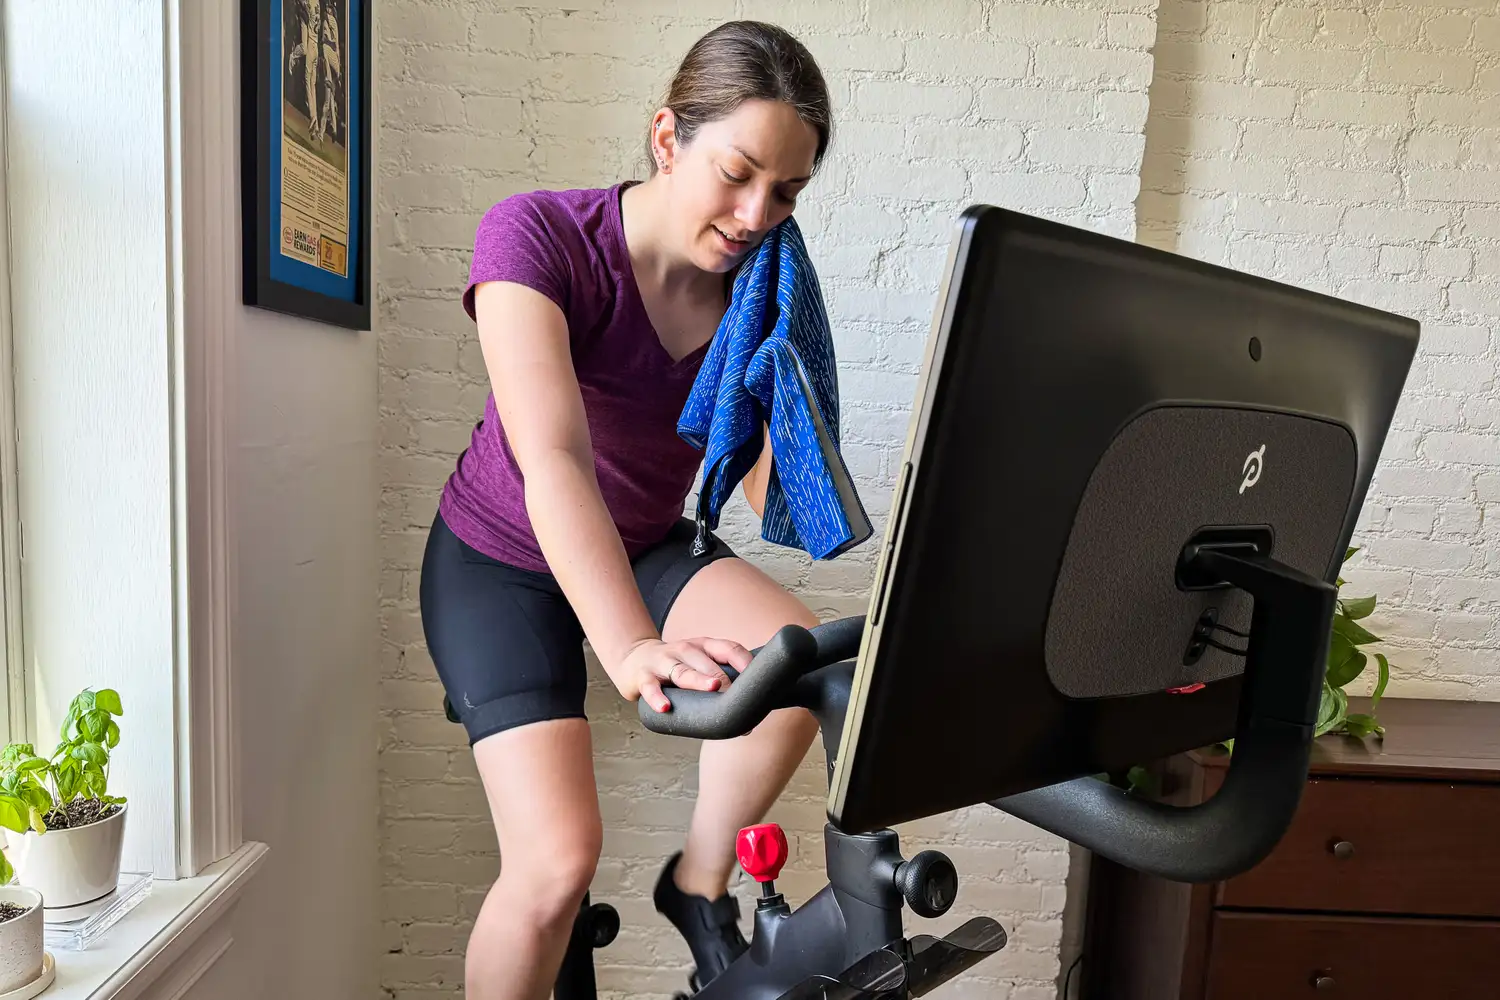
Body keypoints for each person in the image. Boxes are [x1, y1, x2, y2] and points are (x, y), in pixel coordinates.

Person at [418, 20, 836, 1000]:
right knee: (554, 868)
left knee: (803, 663)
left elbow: (770, 480)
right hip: (500, 561)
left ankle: (697, 887)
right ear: (666, 138)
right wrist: (630, 645)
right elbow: (553, 460)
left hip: (643, 540)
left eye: (786, 192)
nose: (756, 213)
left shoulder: (759, 290)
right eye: (737, 172)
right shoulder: (538, 234)